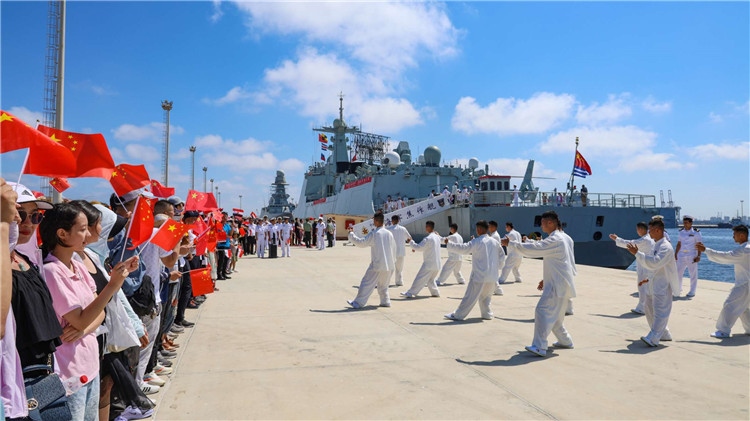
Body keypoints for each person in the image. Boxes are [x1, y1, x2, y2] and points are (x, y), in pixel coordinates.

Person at [40, 202, 139, 420]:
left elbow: (99, 314)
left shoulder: (77, 265)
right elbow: (83, 318)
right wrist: (113, 285)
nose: (89, 233)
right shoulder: (52, 272)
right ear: (62, 234)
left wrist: (83, 330)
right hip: (69, 371)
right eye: (82, 229)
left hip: (90, 362)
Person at [502, 211, 576, 357]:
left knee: (542, 311)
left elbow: (536, 249)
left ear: (550, 223)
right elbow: (565, 262)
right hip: (562, 282)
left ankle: (539, 346)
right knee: (556, 318)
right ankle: (566, 341)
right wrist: (546, 278)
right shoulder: (566, 238)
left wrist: (511, 244)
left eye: (542, 223)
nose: (540, 225)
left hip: (557, 284)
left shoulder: (555, 239)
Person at [626, 219, 676, 347]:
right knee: (649, 309)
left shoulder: (665, 247)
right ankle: (664, 333)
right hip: (651, 283)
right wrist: (646, 279)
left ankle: (653, 338)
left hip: (662, 284)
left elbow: (654, 263)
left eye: (651, 230)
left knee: (660, 312)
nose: (649, 232)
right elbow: (650, 265)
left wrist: (637, 253)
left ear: (658, 230)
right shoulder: (655, 244)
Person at [696, 225, 750, 338]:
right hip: (745, 283)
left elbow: (725, 257)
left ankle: (723, 330)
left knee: (729, 305)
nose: (733, 237)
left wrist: (706, 250)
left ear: (742, 235)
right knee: (743, 307)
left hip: (745, 284)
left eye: (734, 235)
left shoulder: (744, 250)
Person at [444, 221, 500, 321]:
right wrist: (496, 268)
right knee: (486, 297)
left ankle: (458, 315)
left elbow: (463, 248)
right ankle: (487, 314)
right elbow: (501, 256)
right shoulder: (495, 242)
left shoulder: (477, 241)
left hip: (479, 275)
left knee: (469, 297)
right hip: (492, 275)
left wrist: (450, 244)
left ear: (479, 229)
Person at [346, 212, 396, 308]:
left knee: (366, 283)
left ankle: (358, 303)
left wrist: (351, 234)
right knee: (384, 286)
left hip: (377, 264)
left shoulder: (375, 234)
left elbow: (361, 243)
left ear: (376, 221)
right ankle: (385, 301)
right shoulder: (389, 234)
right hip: (389, 264)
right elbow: (394, 249)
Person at [610, 222, 654, 315]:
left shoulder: (645, 240)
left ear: (641, 229)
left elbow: (630, 243)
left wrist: (617, 239)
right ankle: (646, 306)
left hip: (644, 267)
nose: (637, 231)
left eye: (637, 229)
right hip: (648, 266)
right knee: (646, 287)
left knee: (642, 287)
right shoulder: (650, 239)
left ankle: (642, 308)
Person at [401, 221, 442, 298]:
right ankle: (435, 292)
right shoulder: (437, 237)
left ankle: (411, 292)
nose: (425, 228)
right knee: (431, 280)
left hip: (429, 263)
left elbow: (419, 247)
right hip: (437, 264)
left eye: (426, 226)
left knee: (419, 278)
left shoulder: (428, 238)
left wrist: (411, 242)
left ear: (429, 227)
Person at [675, 215, 702, 298]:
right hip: (681, 254)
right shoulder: (681, 232)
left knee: (693, 273)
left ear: (691, 223)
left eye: (686, 223)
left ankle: (692, 291)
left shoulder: (696, 232)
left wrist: (698, 256)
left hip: (691, 255)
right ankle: (678, 289)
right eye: (684, 223)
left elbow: (699, 245)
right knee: (678, 273)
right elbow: (679, 243)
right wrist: (675, 253)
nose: (685, 224)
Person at [386, 215, 411, 286]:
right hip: (401, 251)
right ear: (399, 220)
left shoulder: (389, 229)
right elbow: (409, 238)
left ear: (392, 221)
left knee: (390, 268)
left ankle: (385, 282)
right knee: (399, 268)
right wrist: (413, 246)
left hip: (392, 251)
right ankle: (399, 281)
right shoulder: (403, 229)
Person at [488, 221, 506, 296]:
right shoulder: (493, 235)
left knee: (492, 275)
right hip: (493, 258)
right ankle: (497, 290)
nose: (488, 228)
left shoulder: (494, 236)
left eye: (489, 226)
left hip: (493, 259)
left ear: (494, 227)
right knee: (492, 275)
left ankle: (498, 290)